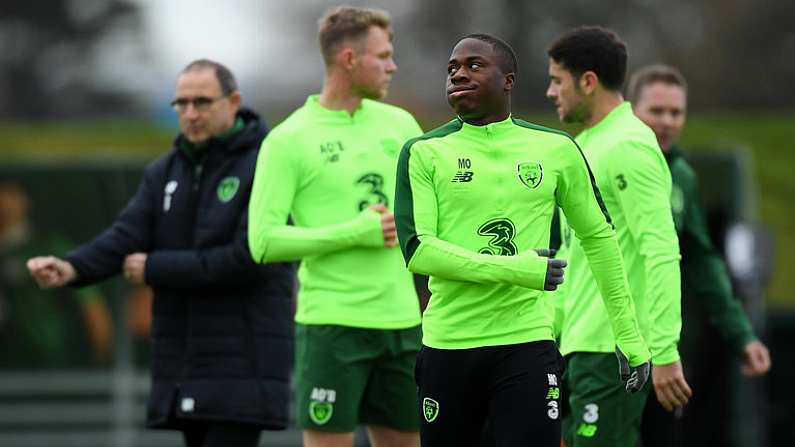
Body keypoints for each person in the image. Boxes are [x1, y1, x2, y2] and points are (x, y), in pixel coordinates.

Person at [394, 33, 650, 447]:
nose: (459, 74)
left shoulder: (556, 149)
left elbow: (599, 237)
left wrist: (629, 334)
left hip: (526, 346)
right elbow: (419, 251)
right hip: (448, 347)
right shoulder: (423, 151)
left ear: (508, 80)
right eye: (452, 69)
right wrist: (518, 270)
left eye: (474, 65)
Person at [27, 59, 295, 447]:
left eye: (202, 102)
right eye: (181, 104)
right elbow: (127, 234)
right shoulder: (166, 171)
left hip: (243, 363)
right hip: (186, 360)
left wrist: (155, 268)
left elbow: (252, 258)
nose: (190, 113)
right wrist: (72, 267)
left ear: (234, 101)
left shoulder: (268, 165)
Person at [247, 6, 423, 447]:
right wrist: (354, 233)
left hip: (405, 327)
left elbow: (434, 214)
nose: (392, 65)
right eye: (382, 56)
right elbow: (263, 242)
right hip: (332, 329)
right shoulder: (289, 139)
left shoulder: (401, 125)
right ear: (349, 59)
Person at [545, 26, 690, 447]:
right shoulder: (585, 144)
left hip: (616, 352)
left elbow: (661, 251)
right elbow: (573, 254)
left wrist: (663, 351)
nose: (552, 92)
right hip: (579, 347)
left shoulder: (629, 146)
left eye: (557, 80)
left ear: (587, 81)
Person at [627, 63, 772, 446]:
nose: (667, 121)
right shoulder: (602, 162)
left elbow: (703, 262)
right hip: (598, 350)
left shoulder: (683, 179)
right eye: (656, 111)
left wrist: (741, 334)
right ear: (630, 110)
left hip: (663, 352)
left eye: (676, 112)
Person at [0, 182, 112, 368]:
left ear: (24, 201)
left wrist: (101, 355)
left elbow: (91, 305)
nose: (4, 203)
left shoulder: (49, 247)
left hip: (49, 361)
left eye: (9, 195)